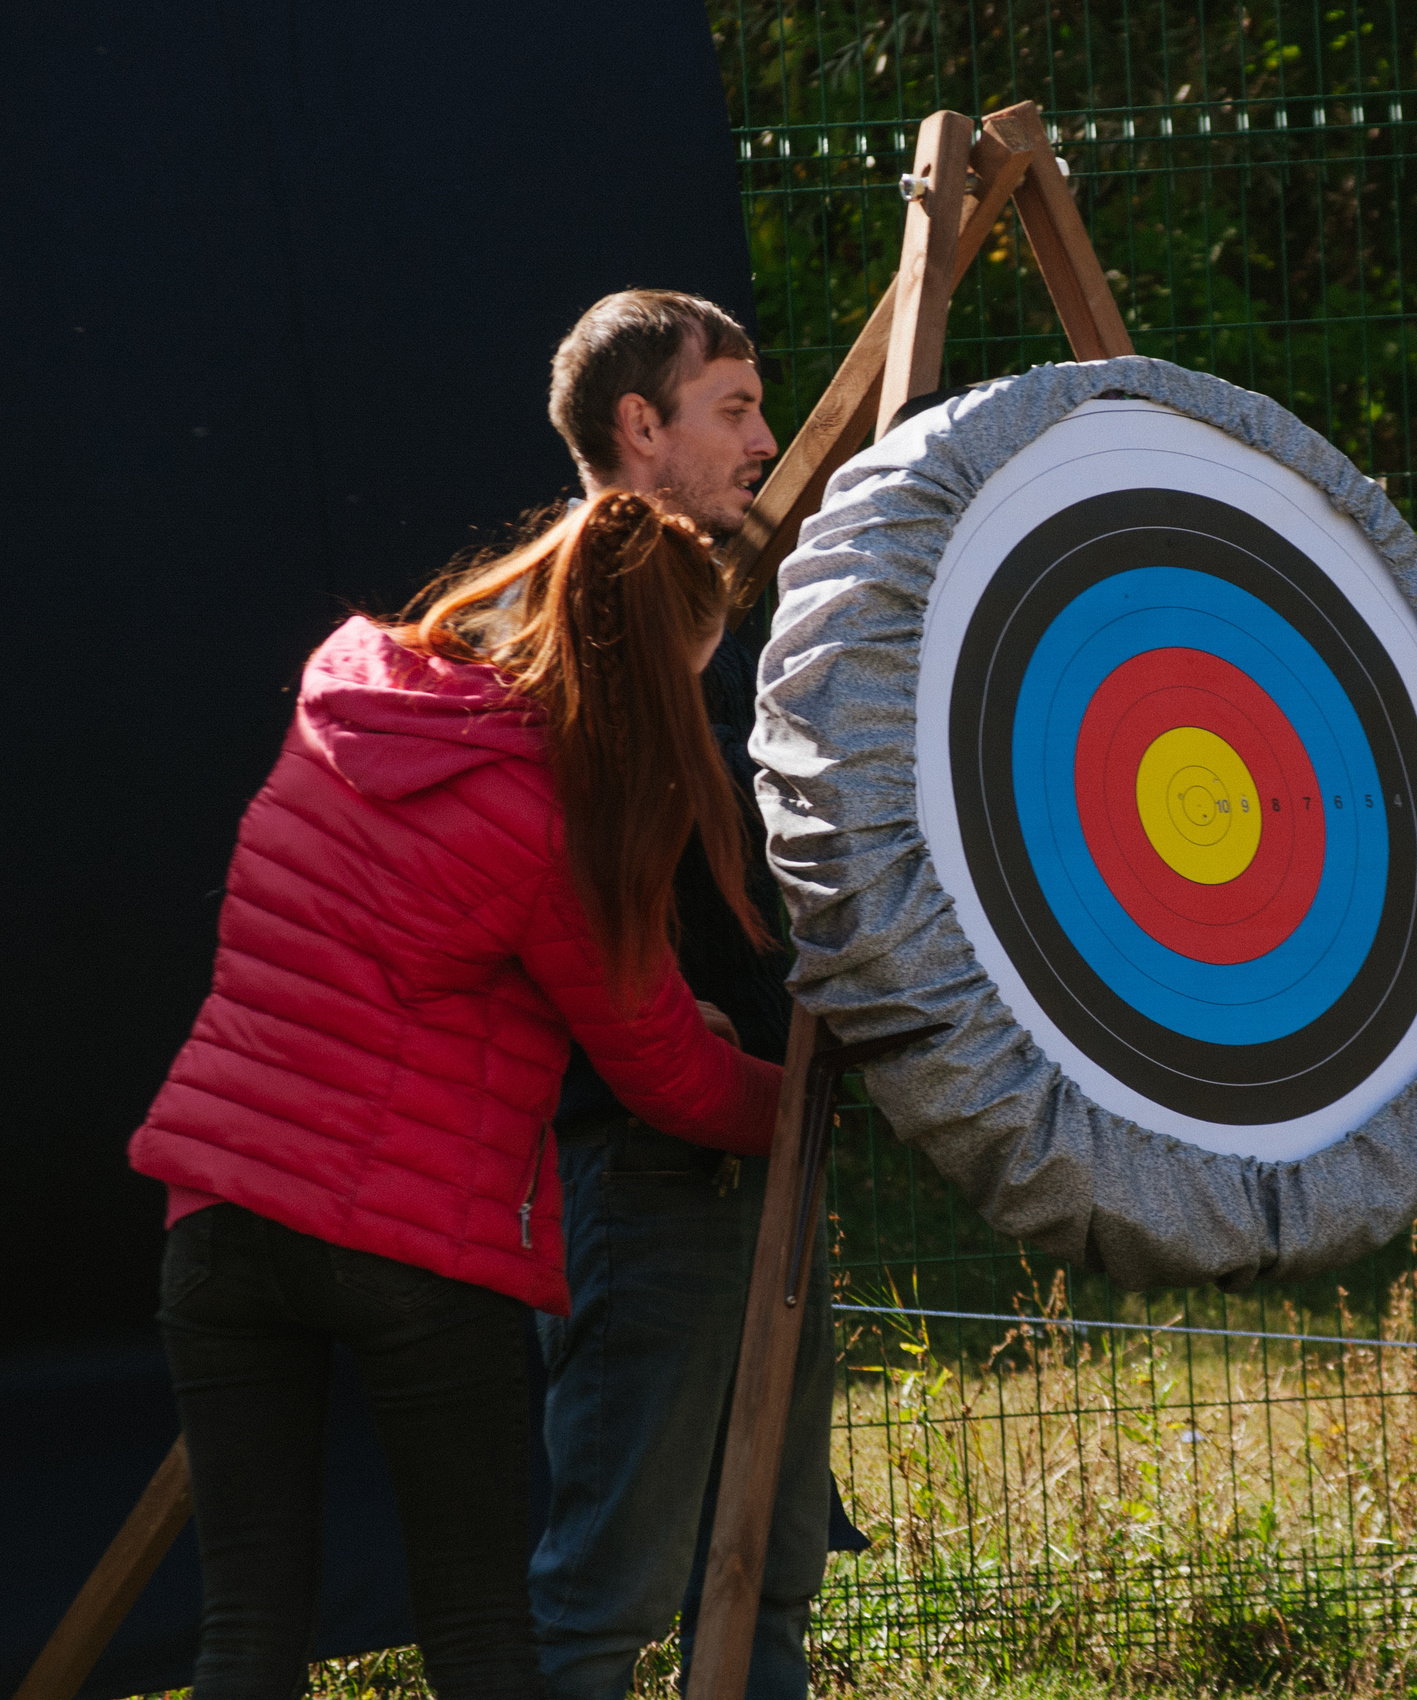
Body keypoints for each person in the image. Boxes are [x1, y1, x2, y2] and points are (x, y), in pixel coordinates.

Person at [130, 492, 785, 1700]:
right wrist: (808, 1106)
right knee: (479, 1632)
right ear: (648, 667)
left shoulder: (346, 685)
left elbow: (395, 938)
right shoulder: (558, 823)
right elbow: (667, 1075)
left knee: (245, 1627)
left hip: (220, 1214)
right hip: (413, 1243)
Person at [526, 290, 842, 1700]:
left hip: (768, 1152)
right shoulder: (563, 629)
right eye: (735, 408)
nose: (766, 441)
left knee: (769, 1575)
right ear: (638, 425)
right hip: (641, 1169)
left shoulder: (727, 629)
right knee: (606, 1601)